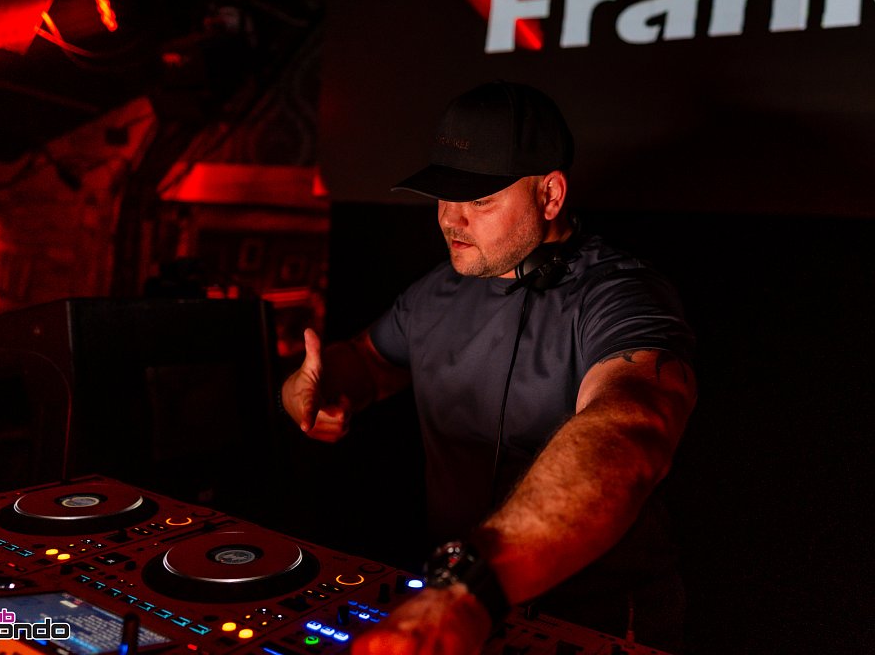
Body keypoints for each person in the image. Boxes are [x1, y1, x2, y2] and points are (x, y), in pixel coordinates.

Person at [281, 81, 697, 654]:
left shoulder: (621, 294)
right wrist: (311, 388)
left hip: (590, 619)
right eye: (442, 195)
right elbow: (367, 364)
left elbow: (631, 426)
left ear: (550, 195)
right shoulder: (435, 292)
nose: (451, 220)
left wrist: (472, 587)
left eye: (479, 200)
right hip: (453, 607)